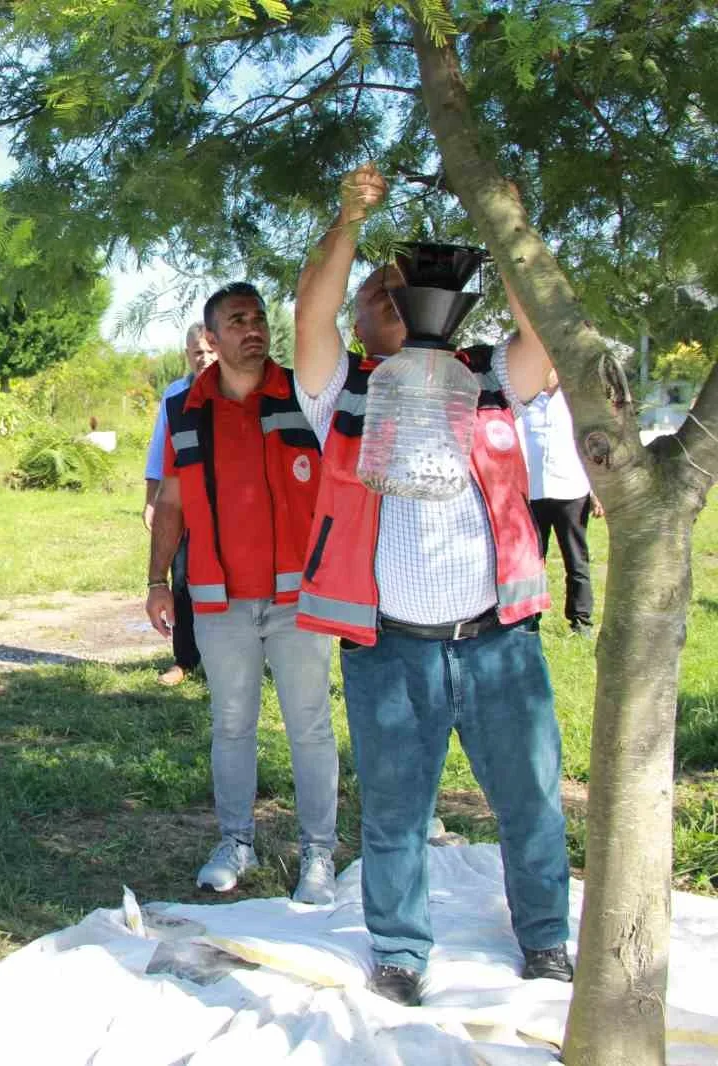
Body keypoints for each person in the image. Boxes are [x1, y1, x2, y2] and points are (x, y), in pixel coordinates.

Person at [293, 163, 571, 1006]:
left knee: (530, 800)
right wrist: (348, 222)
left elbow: (547, 340)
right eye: (383, 289)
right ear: (366, 317)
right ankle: (402, 950)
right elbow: (311, 312)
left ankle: (548, 938)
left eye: (412, 287)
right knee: (394, 814)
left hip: (496, 645)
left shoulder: (486, 377)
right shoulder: (343, 394)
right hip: (392, 652)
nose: (397, 298)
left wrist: (505, 233)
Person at [145, 285, 339, 905]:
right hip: (219, 601)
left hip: (298, 601)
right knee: (231, 724)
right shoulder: (186, 410)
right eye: (237, 322)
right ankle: (235, 841)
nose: (253, 329)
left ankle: (318, 852)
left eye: (258, 319)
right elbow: (171, 502)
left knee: (309, 726)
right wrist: (156, 582)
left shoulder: (304, 397)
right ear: (212, 338)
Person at [142, 324, 215, 685]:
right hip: (182, 505)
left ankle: (240, 660)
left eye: (209, 349)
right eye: (197, 352)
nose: (204, 358)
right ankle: (184, 660)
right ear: (187, 354)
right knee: (183, 579)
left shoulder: (241, 392)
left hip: (231, 508)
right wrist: (150, 502)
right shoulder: (175, 395)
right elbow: (158, 453)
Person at [518, 369, 603, 638]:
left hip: (571, 490)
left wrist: (596, 490)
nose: (547, 373)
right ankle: (529, 618)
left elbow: (591, 449)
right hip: (534, 493)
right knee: (531, 561)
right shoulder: (524, 402)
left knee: (576, 560)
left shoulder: (574, 404)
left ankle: (581, 622)